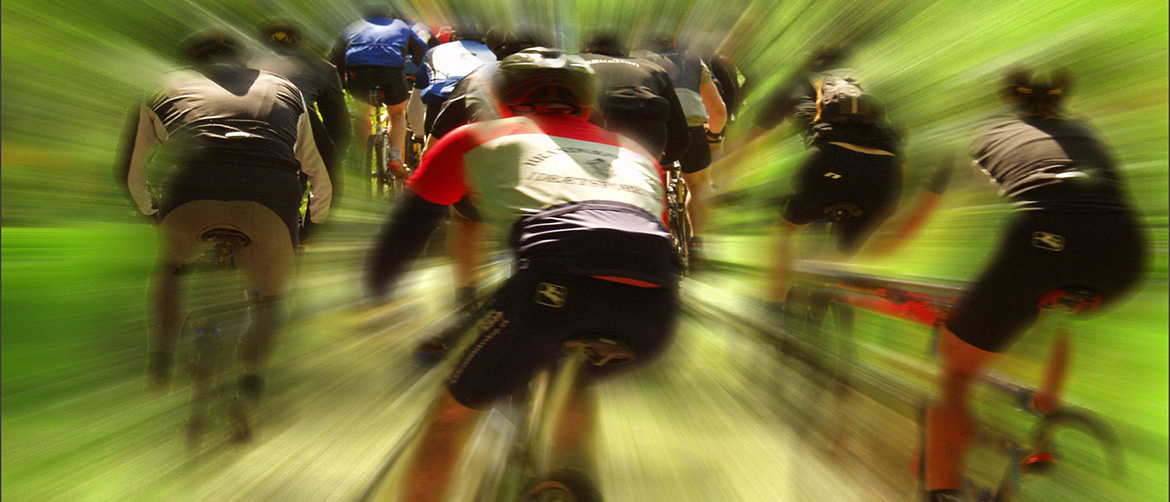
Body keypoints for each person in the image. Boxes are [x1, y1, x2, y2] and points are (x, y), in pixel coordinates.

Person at [365, 48, 680, 501]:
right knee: (571, 377)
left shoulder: (476, 138)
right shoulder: (637, 155)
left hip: (552, 291)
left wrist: (378, 301)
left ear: (501, 98)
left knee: (450, 417)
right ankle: (570, 478)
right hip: (656, 310)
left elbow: (405, 234)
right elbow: (640, 242)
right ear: (588, 104)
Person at [922, 67, 1146, 502]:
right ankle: (1046, 411)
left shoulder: (988, 133)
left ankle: (944, 493)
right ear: (1060, 102)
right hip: (1126, 249)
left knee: (955, 375)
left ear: (1011, 102)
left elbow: (954, 217)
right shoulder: (1087, 132)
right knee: (1058, 307)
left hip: (1044, 237)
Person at [116, 30, 331, 408]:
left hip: (191, 192)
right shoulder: (284, 89)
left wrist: (152, 213)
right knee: (272, 300)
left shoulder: (163, 88)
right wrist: (313, 222)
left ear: (191, 61)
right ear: (243, 61)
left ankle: (161, 357)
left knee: (171, 268)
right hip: (269, 198)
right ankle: (252, 377)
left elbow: (131, 172)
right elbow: (316, 170)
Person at [733, 47, 905, 317]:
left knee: (786, 230)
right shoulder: (864, 94)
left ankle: (774, 307)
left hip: (829, 163)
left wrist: (724, 184)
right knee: (846, 247)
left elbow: (750, 141)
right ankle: (827, 287)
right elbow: (897, 147)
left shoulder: (795, 87)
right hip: (885, 173)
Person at [633, 36, 726, 262]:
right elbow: (718, 109)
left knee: (647, 183)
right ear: (674, 40)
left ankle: (653, 238)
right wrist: (713, 136)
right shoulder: (693, 60)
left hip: (654, 131)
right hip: (691, 130)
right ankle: (697, 245)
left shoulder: (635, 60)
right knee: (699, 185)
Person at [252, 21, 349, 237]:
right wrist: (330, 158)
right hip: (291, 139)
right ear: (301, 44)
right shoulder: (321, 68)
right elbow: (338, 125)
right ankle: (296, 236)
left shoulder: (243, 63)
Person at [331, 6, 429, 179]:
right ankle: (396, 159)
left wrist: (342, 85)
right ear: (389, 15)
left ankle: (363, 164)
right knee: (397, 114)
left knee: (363, 115)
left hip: (358, 71)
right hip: (391, 71)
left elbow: (335, 61)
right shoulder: (401, 26)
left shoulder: (352, 26)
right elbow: (423, 55)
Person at [580, 32, 690, 166]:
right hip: (647, 138)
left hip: (590, 131)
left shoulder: (576, 61)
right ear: (626, 52)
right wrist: (662, 163)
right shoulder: (653, 68)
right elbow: (680, 131)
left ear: (584, 49)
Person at [407, 24, 496, 141]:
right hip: (480, 110)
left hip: (440, 109)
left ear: (454, 36)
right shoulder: (495, 54)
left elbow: (416, 104)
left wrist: (419, 134)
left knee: (434, 157)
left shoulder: (433, 52)